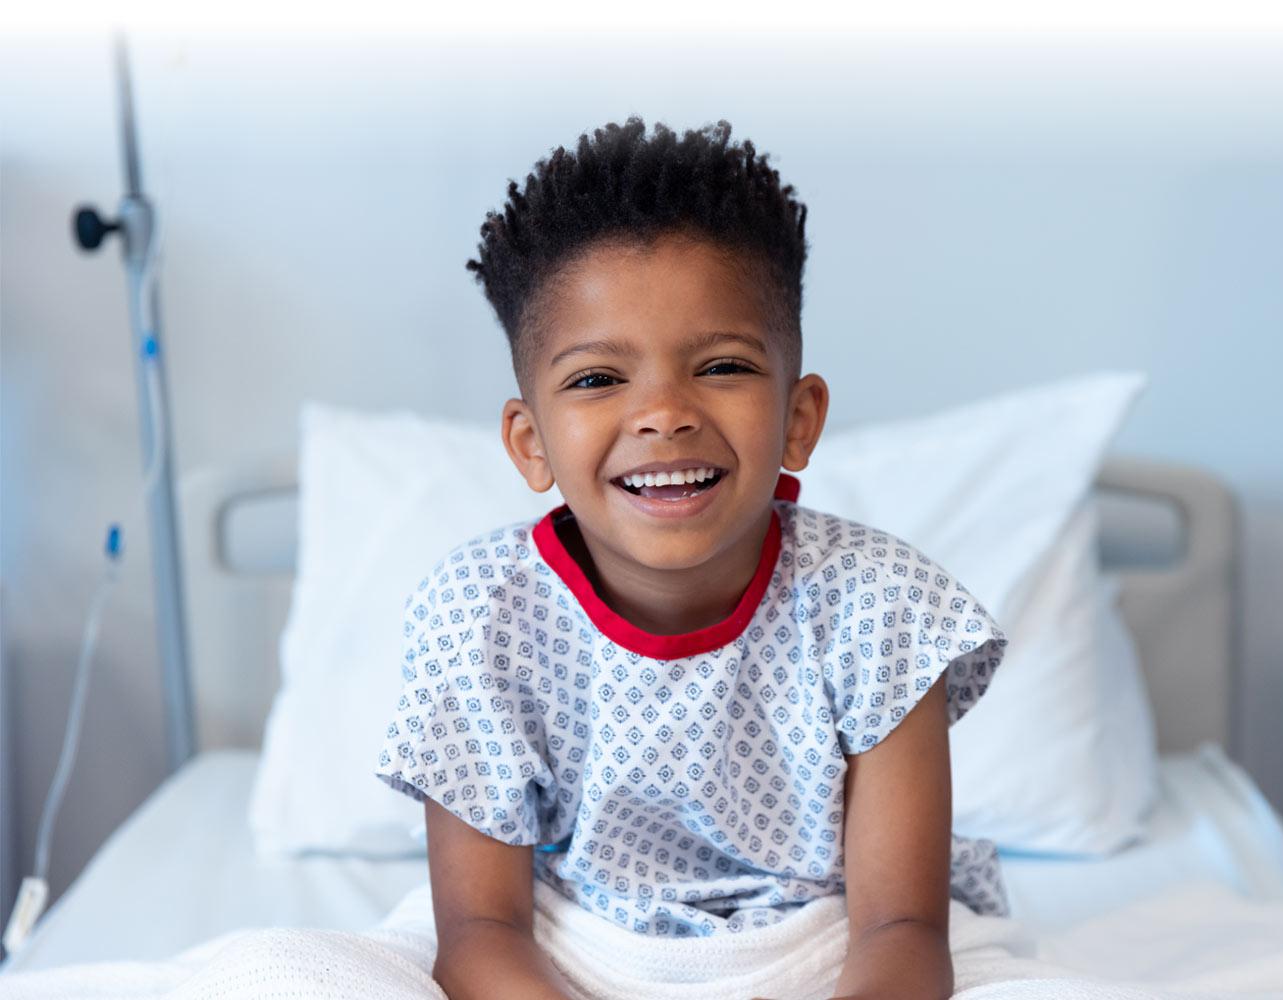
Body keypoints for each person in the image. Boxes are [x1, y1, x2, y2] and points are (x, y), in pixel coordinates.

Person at [373, 117, 1008, 1000]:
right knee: (280, 978)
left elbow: (901, 926)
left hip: (827, 942)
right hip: (562, 944)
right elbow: (481, 929)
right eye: (598, 379)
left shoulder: (881, 605)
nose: (664, 413)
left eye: (721, 366)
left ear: (799, 417)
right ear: (530, 442)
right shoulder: (480, 612)